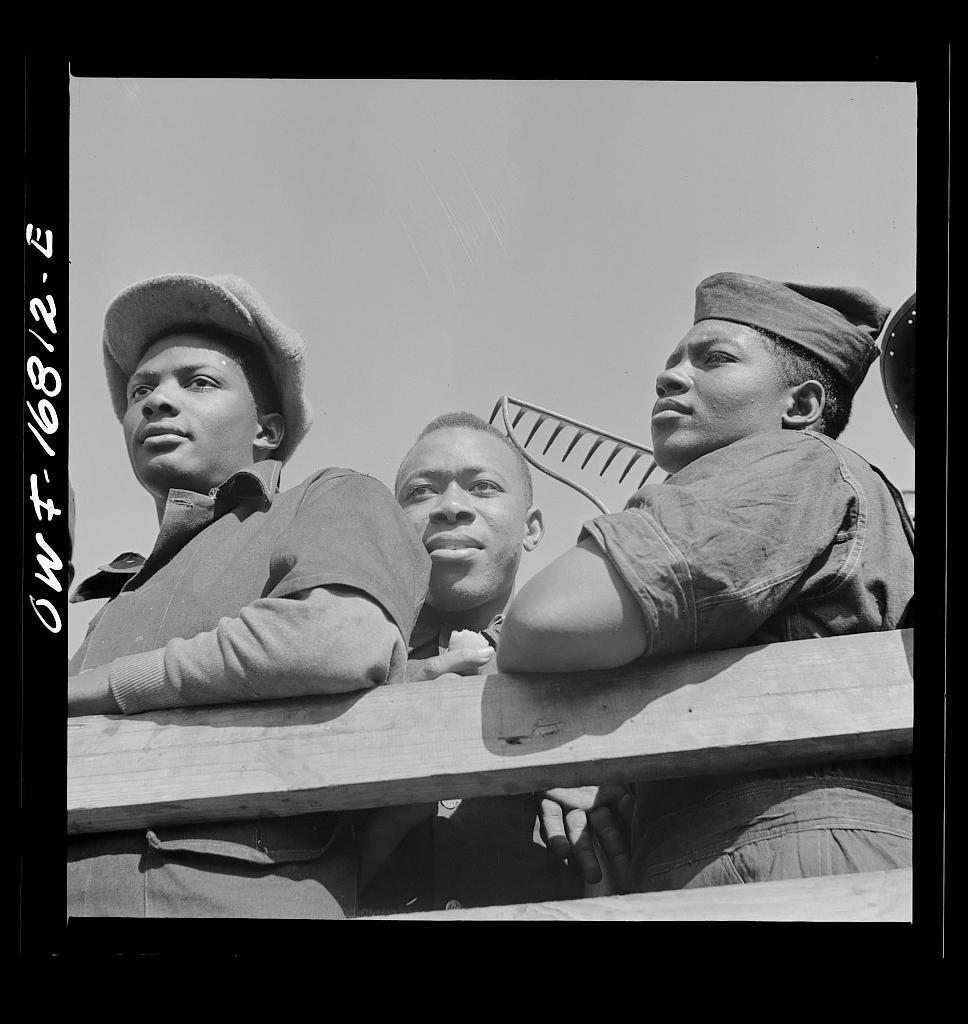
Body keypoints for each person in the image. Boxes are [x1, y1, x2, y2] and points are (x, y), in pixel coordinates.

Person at [498, 271, 914, 891]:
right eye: (671, 361)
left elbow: (546, 621)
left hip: (784, 861)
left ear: (799, 407)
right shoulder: (849, 491)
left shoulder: (792, 462)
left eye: (714, 359)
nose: (669, 376)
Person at [67, 273, 430, 918]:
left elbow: (337, 637)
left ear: (266, 429)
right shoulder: (112, 599)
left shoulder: (328, 500)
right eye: (139, 390)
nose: (155, 402)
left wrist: (106, 687)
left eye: (197, 383)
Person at [357, 411, 609, 913]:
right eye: (421, 492)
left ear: (531, 528)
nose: (451, 506)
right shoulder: (342, 670)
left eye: (485, 487)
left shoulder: (595, 673)